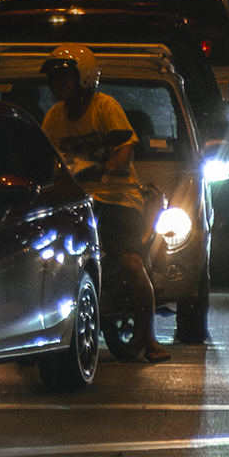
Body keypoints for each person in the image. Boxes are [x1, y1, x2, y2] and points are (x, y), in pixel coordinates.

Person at [39, 45, 167, 365]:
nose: (58, 84)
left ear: (83, 76)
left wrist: (109, 166)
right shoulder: (54, 117)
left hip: (116, 196)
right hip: (76, 199)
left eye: (64, 76)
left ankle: (150, 339)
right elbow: (44, 155)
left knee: (131, 262)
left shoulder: (105, 106)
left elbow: (125, 147)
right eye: (54, 78)